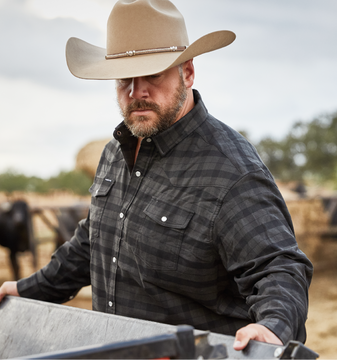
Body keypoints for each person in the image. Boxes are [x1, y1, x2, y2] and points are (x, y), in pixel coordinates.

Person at [0, 0, 313, 352]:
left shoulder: (231, 171)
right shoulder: (113, 154)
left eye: (153, 74)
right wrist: (28, 289)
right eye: (125, 80)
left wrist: (273, 325)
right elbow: (93, 243)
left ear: (188, 72)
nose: (137, 92)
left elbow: (279, 267)